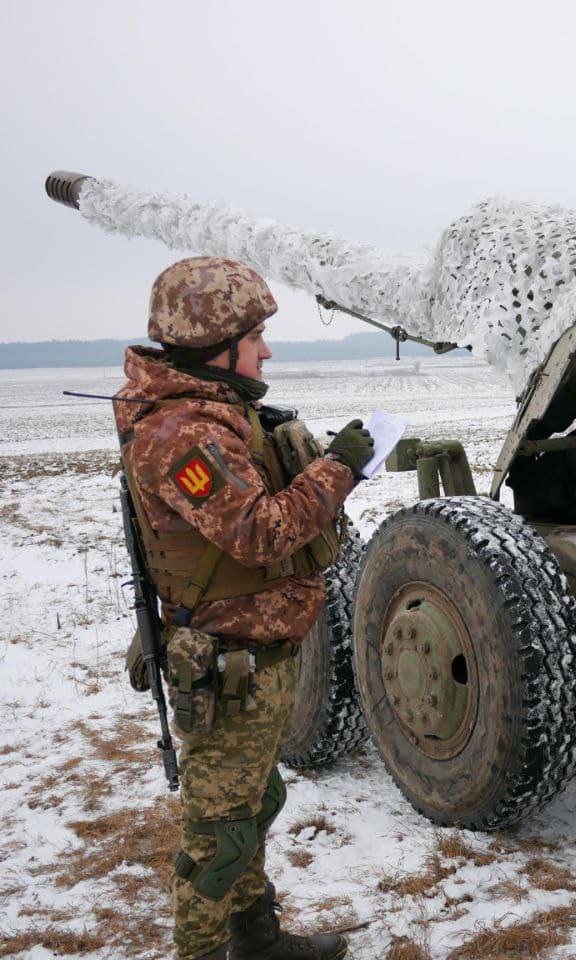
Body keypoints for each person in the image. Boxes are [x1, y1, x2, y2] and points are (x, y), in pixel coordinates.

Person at [114, 256, 372, 960]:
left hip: (256, 656)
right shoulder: (182, 438)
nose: (267, 351)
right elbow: (262, 532)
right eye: (255, 337)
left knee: (252, 807)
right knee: (219, 835)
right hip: (232, 664)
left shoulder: (217, 416)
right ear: (214, 343)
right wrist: (339, 468)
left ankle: (257, 941)